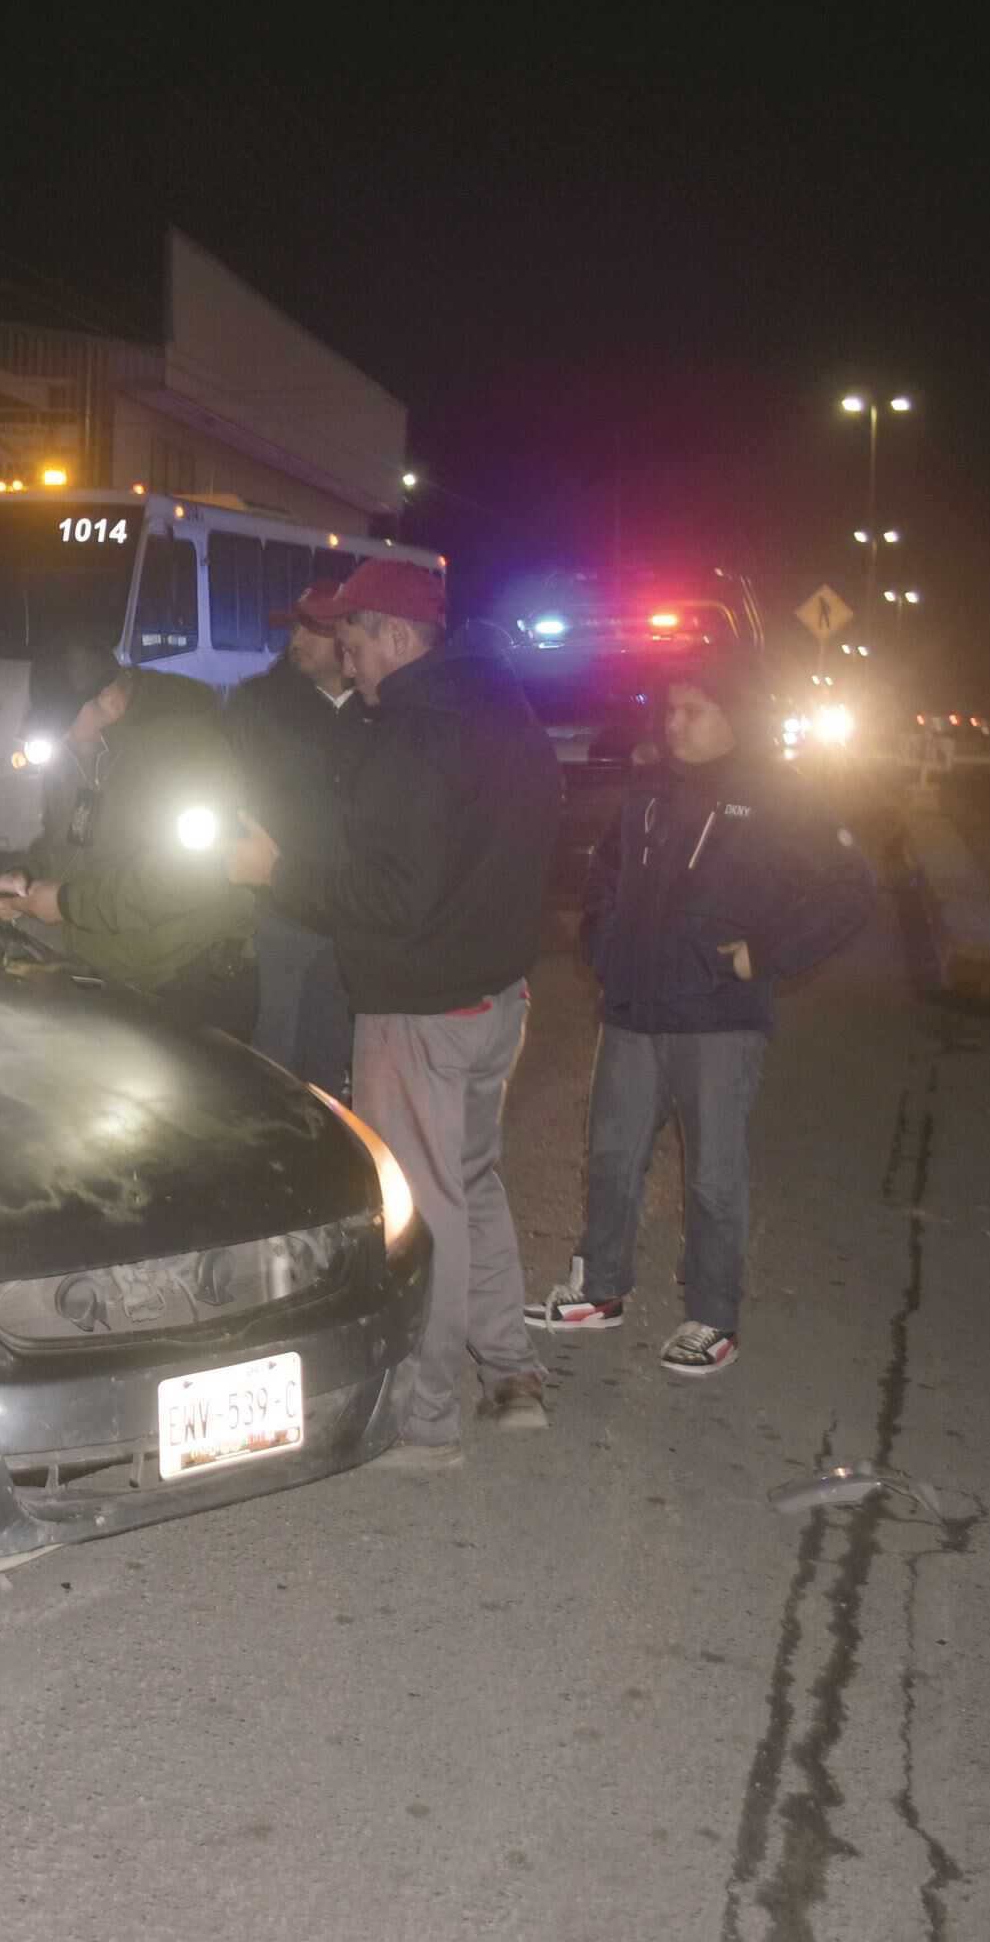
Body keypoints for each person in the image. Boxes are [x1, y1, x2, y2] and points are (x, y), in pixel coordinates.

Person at [223, 560, 562, 1466]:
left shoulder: (414, 736)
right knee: (473, 1181)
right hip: (493, 998)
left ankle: (427, 1417)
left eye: (359, 636)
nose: (348, 654)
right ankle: (513, 1370)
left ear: (402, 638)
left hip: (421, 1006)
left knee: (423, 1207)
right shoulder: (507, 717)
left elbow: (392, 896)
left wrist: (276, 873)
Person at [525, 648, 875, 1375]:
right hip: (633, 1010)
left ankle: (713, 1317)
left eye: (694, 710)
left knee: (714, 1176)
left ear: (732, 717)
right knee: (612, 1157)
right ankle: (600, 1287)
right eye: (670, 708)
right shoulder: (649, 789)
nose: (675, 723)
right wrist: (602, 942)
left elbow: (850, 890)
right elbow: (606, 872)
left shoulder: (780, 794)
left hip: (718, 1017)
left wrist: (765, 953)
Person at [0, 639, 258, 1037]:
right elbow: (66, 840)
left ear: (110, 700)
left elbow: (175, 881)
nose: (62, 737)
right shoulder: (85, 749)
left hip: (188, 983)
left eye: (66, 721)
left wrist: (64, 903)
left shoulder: (187, 752)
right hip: (112, 975)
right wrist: (25, 878)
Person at [222, 580, 366, 1096]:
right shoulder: (261, 703)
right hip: (279, 907)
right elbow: (228, 790)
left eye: (315, 629)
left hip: (352, 910)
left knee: (333, 1051)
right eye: (295, 626)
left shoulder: (379, 709)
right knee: (273, 1050)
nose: (297, 640)